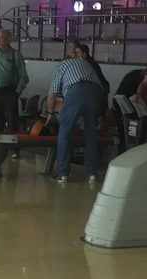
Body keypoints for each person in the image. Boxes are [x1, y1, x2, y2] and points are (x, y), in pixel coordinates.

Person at [46, 55, 104, 183]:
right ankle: (92, 174)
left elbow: (52, 95)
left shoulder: (61, 66)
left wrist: (50, 113)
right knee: (91, 134)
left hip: (76, 90)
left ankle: (62, 173)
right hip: (96, 92)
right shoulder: (84, 62)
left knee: (64, 132)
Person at [0, 29, 29, 133]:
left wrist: (16, 92)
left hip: (9, 92)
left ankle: (12, 147)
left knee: (12, 121)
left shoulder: (15, 55)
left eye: (1, 38)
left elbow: (24, 77)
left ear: (9, 40)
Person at [75, 44, 110, 121]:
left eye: (78, 52)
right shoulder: (88, 62)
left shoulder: (88, 64)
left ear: (84, 54)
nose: (76, 55)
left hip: (99, 89)